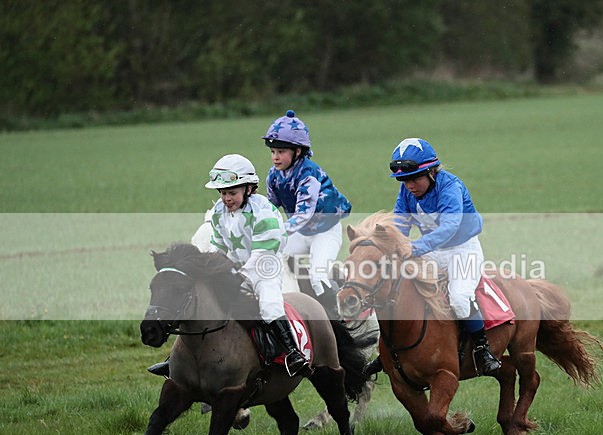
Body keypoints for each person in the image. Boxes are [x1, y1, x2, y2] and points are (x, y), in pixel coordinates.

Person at [149, 154, 311, 378]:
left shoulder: (264, 212)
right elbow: (218, 248)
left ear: (249, 189)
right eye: (223, 193)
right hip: (234, 269)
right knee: (201, 302)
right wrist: (214, 272)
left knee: (269, 305)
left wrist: (241, 276)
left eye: (232, 192)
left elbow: (262, 252)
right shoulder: (218, 212)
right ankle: (175, 360)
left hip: (265, 268)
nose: (227, 198)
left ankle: (292, 354)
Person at [363, 138, 501, 377]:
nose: (409, 186)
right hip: (432, 251)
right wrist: (390, 247)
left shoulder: (451, 187)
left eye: (414, 178)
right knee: (396, 287)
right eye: (403, 180)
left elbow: (449, 227)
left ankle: (482, 349)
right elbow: (400, 225)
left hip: (462, 250)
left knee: (458, 298)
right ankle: (388, 351)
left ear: (431, 172)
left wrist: (413, 249)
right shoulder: (406, 192)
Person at [262, 110, 351, 318]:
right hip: (301, 232)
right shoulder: (273, 175)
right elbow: (270, 206)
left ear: (299, 151)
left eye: (281, 152)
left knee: (317, 276)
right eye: (273, 151)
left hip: (325, 230)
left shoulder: (308, 174)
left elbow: (303, 214)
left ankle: (339, 319)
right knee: (275, 260)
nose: (275, 157)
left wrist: (277, 231)